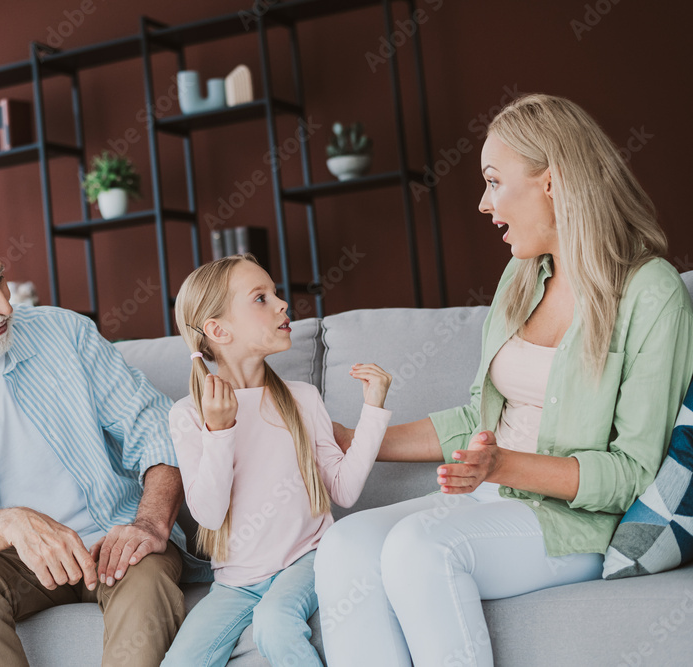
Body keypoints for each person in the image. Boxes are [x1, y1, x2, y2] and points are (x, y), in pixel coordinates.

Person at [314, 93, 693, 666]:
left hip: (573, 522)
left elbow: (632, 473)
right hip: (491, 497)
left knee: (420, 548)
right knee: (345, 544)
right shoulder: (520, 276)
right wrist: (354, 440)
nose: (483, 202)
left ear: (552, 182)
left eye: (494, 181)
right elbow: (479, 419)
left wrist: (501, 465)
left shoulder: (652, 293)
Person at [0, 213, 207, 667]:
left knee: (148, 575)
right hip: (15, 565)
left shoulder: (65, 334)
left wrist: (149, 523)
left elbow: (156, 428)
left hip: (113, 542)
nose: (3, 305)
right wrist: (12, 524)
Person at [162, 254, 394, 666]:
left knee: (275, 624)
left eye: (275, 293)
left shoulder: (303, 398)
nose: (283, 303)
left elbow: (344, 490)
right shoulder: (188, 415)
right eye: (261, 298)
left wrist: (373, 410)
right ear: (218, 330)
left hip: (309, 557)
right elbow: (210, 514)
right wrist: (220, 431)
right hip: (235, 584)